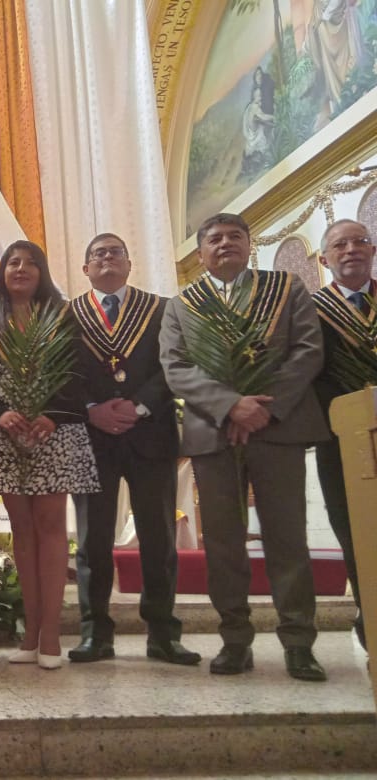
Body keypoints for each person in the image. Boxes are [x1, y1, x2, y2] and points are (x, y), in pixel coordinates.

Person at [159, 212, 328, 681]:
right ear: (200, 254)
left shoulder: (286, 288)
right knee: (224, 543)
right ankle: (235, 639)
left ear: (250, 245)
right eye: (215, 238)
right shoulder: (182, 306)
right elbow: (176, 367)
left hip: (279, 429)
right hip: (214, 435)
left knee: (287, 538)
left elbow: (308, 351)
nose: (225, 243)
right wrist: (231, 405)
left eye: (236, 236)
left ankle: (298, 642)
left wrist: (263, 410)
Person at [0, 240, 99, 670]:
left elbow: (81, 372)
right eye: (13, 263)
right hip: (6, 435)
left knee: (51, 527)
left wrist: (53, 416)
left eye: (30, 263)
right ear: (2, 272)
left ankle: (54, 636)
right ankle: (31, 635)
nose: (21, 269)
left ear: (42, 271)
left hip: (53, 434)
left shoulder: (63, 317)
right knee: (21, 532)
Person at [68, 233, 200, 666]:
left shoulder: (162, 309)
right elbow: (63, 372)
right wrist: (92, 409)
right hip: (93, 440)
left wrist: (139, 405)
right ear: (85, 268)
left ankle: (163, 635)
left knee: (159, 539)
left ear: (130, 262)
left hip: (151, 436)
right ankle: (95, 634)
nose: (106, 258)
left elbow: (174, 364)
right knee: (93, 540)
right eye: (97, 254)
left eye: (115, 252)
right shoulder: (67, 315)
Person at [311, 218, 376, 650]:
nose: (350, 249)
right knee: (353, 526)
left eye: (360, 241)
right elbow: (307, 373)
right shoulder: (310, 310)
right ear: (324, 258)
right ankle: (369, 610)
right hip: (340, 438)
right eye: (340, 245)